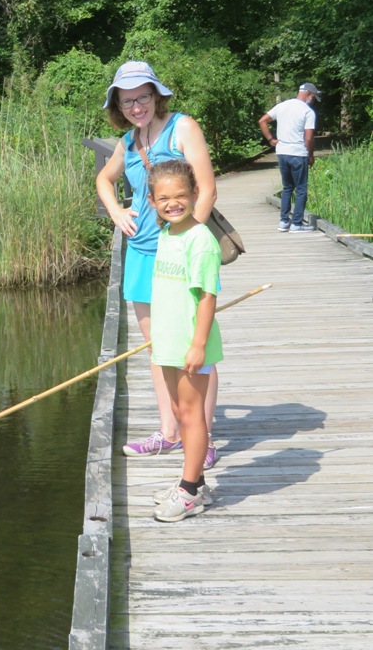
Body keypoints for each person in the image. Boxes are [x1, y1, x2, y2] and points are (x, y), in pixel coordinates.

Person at [95, 61, 220, 469]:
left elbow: (206, 189)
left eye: (143, 97)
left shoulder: (183, 127)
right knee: (158, 348)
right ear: (118, 104)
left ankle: (202, 436)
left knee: (191, 347)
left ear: (156, 95)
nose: (137, 107)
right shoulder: (127, 143)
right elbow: (104, 180)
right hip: (142, 253)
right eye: (127, 100)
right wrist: (116, 211)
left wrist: (189, 241)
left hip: (178, 256)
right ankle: (168, 433)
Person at [145, 159, 223, 521]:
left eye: (180, 196)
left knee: (192, 415)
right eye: (163, 198)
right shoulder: (166, 235)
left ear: (195, 195)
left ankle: (189, 492)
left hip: (192, 343)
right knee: (179, 413)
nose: (172, 203)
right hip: (169, 340)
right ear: (152, 201)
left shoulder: (200, 240)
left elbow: (207, 296)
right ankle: (195, 482)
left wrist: (198, 344)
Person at [258, 82, 321, 233]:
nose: (313, 101)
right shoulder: (308, 111)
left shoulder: (282, 106)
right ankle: (296, 224)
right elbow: (309, 139)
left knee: (287, 188)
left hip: (282, 152)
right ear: (308, 94)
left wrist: (271, 139)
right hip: (298, 153)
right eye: (313, 98)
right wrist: (311, 155)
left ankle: (284, 221)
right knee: (301, 189)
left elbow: (262, 121)